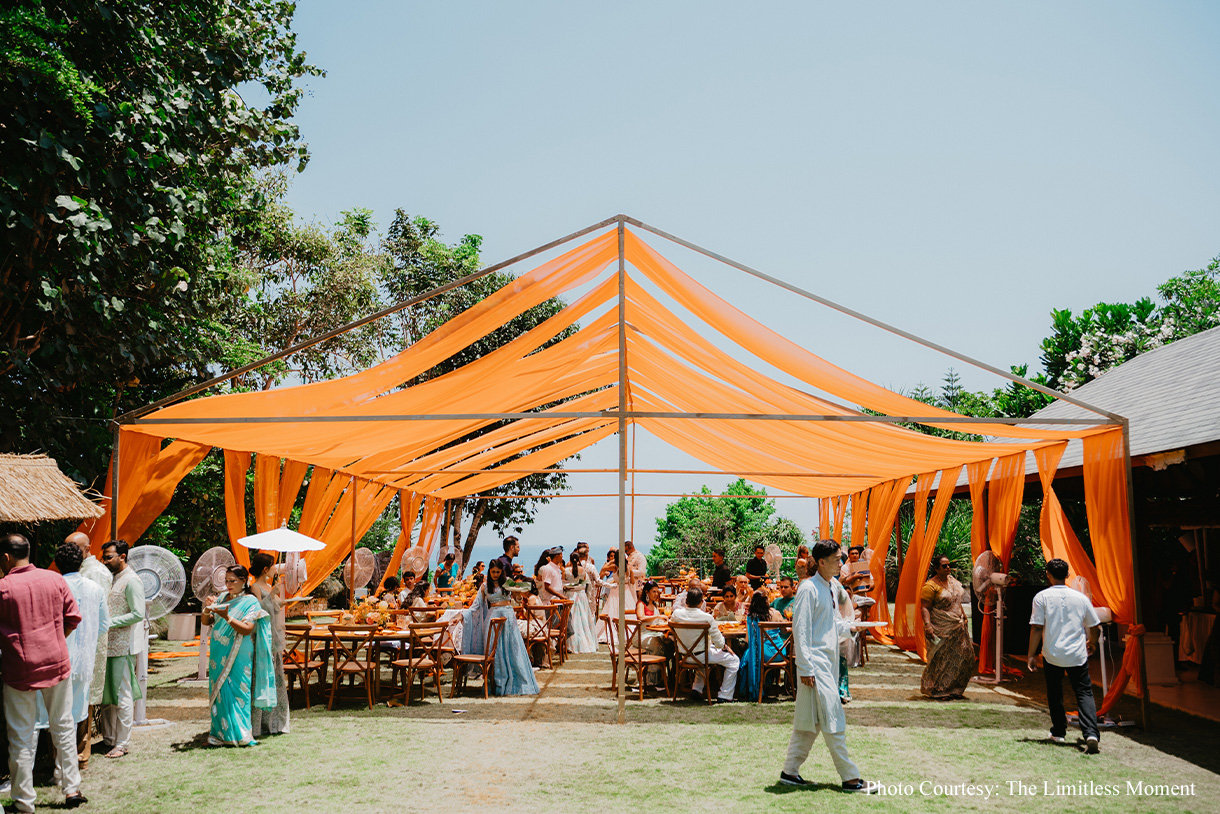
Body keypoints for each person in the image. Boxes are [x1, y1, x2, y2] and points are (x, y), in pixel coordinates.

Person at [0, 534, 87, 810]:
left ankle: (24, 801)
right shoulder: (54, 579)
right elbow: (73, 617)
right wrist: (57, 640)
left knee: (21, 736)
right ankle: (72, 789)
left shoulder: (3, 588)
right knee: (63, 726)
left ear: (5, 558)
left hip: (20, 668)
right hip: (56, 661)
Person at [780, 539, 875, 792]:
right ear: (821, 562)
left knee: (810, 721)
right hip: (815, 664)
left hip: (828, 662)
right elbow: (800, 630)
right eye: (836, 559)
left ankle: (790, 772)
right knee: (833, 716)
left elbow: (831, 623)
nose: (841, 563)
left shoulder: (832, 586)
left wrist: (855, 626)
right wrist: (806, 668)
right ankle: (850, 778)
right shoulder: (808, 588)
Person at [35, 543, 108, 777]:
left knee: (51, 715)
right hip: (84, 662)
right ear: (82, 561)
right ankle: (72, 765)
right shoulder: (95, 588)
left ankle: (58, 766)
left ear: (56, 563)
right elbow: (104, 625)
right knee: (75, 716)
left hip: (55, 660)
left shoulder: (51, 586)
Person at [1027, 558, 1102, 754]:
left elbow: (1036, 628)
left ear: (1048, 575)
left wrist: (1031, 655)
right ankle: (1091, 734)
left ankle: (1059, 731)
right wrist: (1092, 642)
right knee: (1084, 693)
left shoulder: (1041, 597)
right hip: (1077, 654)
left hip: (1052, 654)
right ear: (1068, 575)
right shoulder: (1081, 598)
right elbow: (1095, 627)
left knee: (1055, 692)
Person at [201, 566, 276, 746]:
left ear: (244, 580)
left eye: (232, 581)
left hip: (239, 653)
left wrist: (227, 617)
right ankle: (218, 735)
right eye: (226, 581)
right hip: (218, 653)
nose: (228, 585)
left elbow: (247, 628)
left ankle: (242, 735)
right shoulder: (221, 598)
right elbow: (207, 622)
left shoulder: (250, 602)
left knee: (238, 691)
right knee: (218, 691)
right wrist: (206, 609)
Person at [66, 531, 111, 769]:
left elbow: (100, 618)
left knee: (85, 699)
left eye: (75, 547)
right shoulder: (75, 574)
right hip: (73, 642)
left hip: (89, 644)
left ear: (87, 548)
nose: (71, 552)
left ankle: (82, 753)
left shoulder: (96, 573)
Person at [461, 561, 538, 695]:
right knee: (494, 651)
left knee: (512, 648)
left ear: (502, 572)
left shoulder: (508, 582)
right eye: (493, 572)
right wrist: (461, 616)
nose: (495, 575)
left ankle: (517, 683)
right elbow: (475, 606)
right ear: (489, 572)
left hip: (508, 617)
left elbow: (518, 599)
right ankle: (497, 683)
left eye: (498, 572)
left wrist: (518, 593)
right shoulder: (485, 586)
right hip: (492, 619)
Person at [99, 539, 145, 759]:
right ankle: (108, 739)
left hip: (122, 646)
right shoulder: (110, 578)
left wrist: (109, 622)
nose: (104, 560)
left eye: (108, 556)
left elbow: (137, 613)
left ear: (122, 556)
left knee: (122, 696)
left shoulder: (132, 581)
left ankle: (122, 743)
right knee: (106, 697)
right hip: (105, 646)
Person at [919, 555, 973, 700]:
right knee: (942, 660)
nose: (948, 568)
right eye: (944, 566)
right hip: (940, 627)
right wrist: (928, 626)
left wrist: (963, 616)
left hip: (958, 626)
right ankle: (939, 690)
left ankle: (955, 689)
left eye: (949, 565)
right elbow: (924, 607)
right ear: (936, 568)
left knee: (965, 657)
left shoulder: (953, 582)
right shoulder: (930, 586)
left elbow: (957, 601)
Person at [671, 588, 738, 702]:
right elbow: (719, 642)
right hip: (701, 655)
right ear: (701, 602)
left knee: (704, 657)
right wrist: (726, 647)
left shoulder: (676, 614)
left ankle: (696, 690)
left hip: (684, 655)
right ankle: (724, 695)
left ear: (686, 601)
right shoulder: (706, 617)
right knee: (734, 660)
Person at [249, 552, 289, 736]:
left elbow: (275, 608)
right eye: (273, 566)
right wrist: (271, 595)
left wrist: (279, 599)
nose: (275, 569)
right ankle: (260, 724)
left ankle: (276, 722)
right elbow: (257, 611)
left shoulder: (269, 585)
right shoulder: (254, 587)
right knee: (263, 677)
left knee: (277, 678)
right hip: (262, 638)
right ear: (266, 569)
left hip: (274, 636)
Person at [738, 591, 784, 700]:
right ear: (767, 601)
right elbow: (783, 630)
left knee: (748, 654)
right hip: (780, 652)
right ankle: (767, 684)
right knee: (751, 652)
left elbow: (748, 641)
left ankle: (751, 687)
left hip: (763, 655)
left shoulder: (752, 618)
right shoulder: (776, 613)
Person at [566, 552, 597, 654]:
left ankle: (571, 642)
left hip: (571, 595)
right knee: (583, 620)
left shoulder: (566, 570)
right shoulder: (583, 570)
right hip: (581, 595)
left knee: (572, 619)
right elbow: (586, 584)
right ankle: (586, 641)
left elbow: (563, 583)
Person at [623, 541, 646, 607]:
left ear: (632, 548)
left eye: (626, 551)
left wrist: (630, 572)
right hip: (628, 586)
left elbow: (641, 572)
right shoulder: (629, 557)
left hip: (637, 586)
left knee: (637, 604)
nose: (626, 553)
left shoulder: (640, 557)